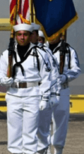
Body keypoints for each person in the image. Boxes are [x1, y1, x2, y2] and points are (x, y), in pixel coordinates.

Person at [0, 23, 57, 154]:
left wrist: (45, 98)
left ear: (30, 36)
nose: (22, 37)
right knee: (14, 131)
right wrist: (3, 80)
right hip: (13, 94)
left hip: (33, 95)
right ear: (16, 36)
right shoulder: (7, 54)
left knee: (30, 131)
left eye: (25, 34)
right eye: (19, 34)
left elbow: (46, 77)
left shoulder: (40, 54)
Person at [46, 33, 81, 154]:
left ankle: (58, 150)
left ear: (60, 34)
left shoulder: (69, 50)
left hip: (62, 89)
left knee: (61, 120)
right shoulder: (40, 50)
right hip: (44, 90)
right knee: (42, 121)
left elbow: (76, 69)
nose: (50, 36)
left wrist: (65, 77)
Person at [30, 24, 60, 154]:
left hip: (43, 95)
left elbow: (53, 76)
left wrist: (54, 95)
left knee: (43, 131)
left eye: (41, 40)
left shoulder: (46, 54)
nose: (39, 42)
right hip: (27, 95)